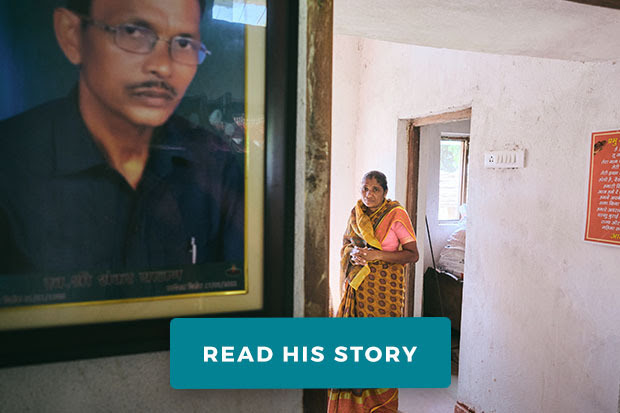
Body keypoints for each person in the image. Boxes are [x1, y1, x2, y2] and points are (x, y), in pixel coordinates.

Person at [0, 0, 244, 275]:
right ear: (72, 35)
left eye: (184, 43)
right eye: (134, 32)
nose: (163, 67)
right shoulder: (10, 164)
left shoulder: (214, 166)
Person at [328, 171, 419, 413]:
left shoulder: (396, 215)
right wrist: (354, 254)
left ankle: (381, 403)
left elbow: (412, 254)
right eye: (365, 189)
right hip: (358, 288)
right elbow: (347, 244)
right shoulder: (356, 213)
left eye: (375, 189)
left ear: (385, 192)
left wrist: (377, 254)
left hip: (385, 291)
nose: (369, 194)